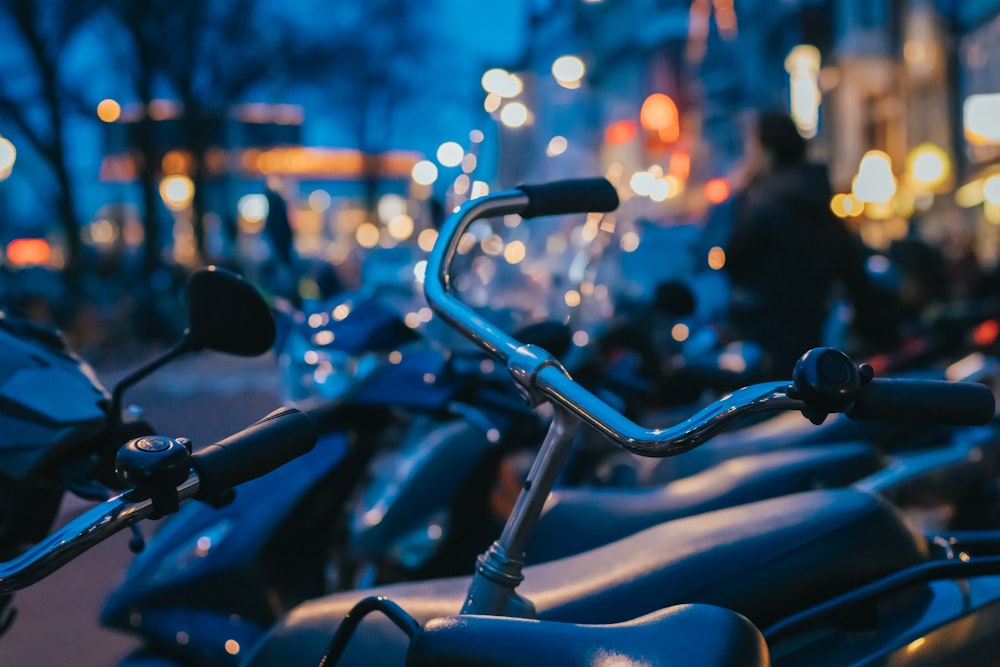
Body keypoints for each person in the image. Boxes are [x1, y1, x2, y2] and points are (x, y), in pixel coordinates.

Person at [723, 109, 892, 377]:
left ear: (765, 150)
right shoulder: (816, 195)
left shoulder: (762, 199)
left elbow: (734, 259)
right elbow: (849, 263)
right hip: (812, 320)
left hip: (766, 326)